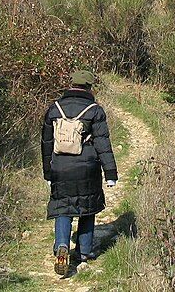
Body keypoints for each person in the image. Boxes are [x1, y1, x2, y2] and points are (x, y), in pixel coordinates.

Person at [41, 70, 118, 277]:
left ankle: (62, 245)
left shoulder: (54, 109)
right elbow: (103, 144)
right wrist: (110, 173)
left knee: (62, 207)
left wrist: (48, 173)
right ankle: (84, 252)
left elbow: (47, 144)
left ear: (71, 85)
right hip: (87, 166)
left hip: (60, 166)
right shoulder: (95, 110)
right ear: (89, 87)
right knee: (87, 207)